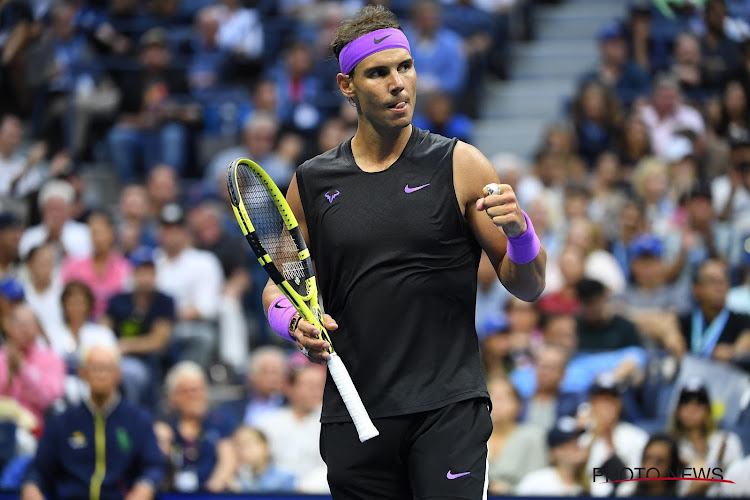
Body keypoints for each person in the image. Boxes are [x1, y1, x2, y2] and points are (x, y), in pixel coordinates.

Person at [261, 6, 546, 498]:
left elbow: (529, 284)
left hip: (448, 410)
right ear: (347, 85)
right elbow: (278, 286)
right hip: (354, 411)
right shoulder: (310, 182)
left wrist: (521, 232)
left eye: (405, 67)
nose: (398, 84)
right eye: (378, 73)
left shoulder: (461, 164)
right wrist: (293, 323)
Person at [20, 342, 165, 500]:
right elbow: (38, 471)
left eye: (106, 368)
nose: (101, 375)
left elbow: (153, 466)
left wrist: (143, 489)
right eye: (94, 368)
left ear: (118, 374)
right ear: (82, 373)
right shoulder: (62, 422)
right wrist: (31, 488)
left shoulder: (138, 419)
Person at [102, 247, 175, 407]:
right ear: (133, 273)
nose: (146, 277)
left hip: (149, 361)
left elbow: (158, 341)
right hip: (115, 357)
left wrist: (125, 346)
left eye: (150, 272)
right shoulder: (117, 300)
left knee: (131, 372)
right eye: (142, 272)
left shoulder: (164, 301)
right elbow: (103, 330)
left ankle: (132, 410)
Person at [162, 361, 236, 493]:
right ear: (173, 397)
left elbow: (228, 460)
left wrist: (214, 486)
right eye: (186, 391)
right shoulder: (165, 427)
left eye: (198, 389)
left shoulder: (220, 422)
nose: (194, 395)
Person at [256, 364, 329, 494]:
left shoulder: (334, 426)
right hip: (274, 493)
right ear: (290, 388)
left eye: (320, 385)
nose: (316, 391)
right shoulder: (267, 423)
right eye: (309, 385)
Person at [0, 304, 64, 434]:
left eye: (31, 325)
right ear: (9, 328)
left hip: (34, 429)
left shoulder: (51, 358)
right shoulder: (2, 358)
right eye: (21, 325)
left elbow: (47, 402)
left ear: (38, 328)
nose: (26, 330)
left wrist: (22, 370)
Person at [486, 376, 547, 495]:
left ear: (519, 405)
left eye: (502, 398)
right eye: (490, 397)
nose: (495, 403)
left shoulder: (533, 437)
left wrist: (510, 490)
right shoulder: (471, 437)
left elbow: (538, 481)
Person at [515, 416, 587, 496]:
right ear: (553, 453)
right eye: (567, 444)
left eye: (577, 440)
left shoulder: (594, 482)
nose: (575, 446)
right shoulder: (535, 482)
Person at [228, 426, 295, 493]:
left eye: (248, 443)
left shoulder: (285, 477)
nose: (244, 450)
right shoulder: (235, 477)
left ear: (265, 446)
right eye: (239, 445)